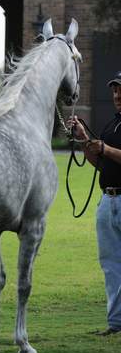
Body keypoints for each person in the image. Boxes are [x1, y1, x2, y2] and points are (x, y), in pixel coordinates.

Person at [67, 71, 121, 335]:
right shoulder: (112, 125)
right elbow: (100, 164)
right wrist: (83, 139)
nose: (118, 95)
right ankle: (116, 323)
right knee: (111, 266)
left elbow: (108, 153)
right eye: (115, 91)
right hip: (107, 200)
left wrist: (106, 149)